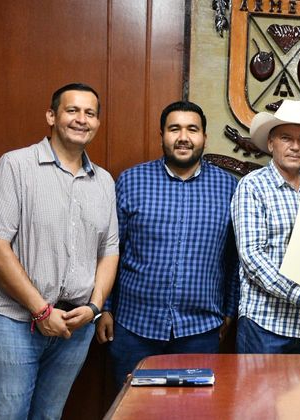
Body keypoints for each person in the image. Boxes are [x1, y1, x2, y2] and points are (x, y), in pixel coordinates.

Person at [0, 83, 119, 419]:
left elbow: (108, 251)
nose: (82, 119)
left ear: (98, 123)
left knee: (48, 416)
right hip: (9, 321)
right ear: (51, 116)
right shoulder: (15, 166)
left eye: (90, 113)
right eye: (72, 110)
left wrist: (94, 306)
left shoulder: (104, 181)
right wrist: (40, 310)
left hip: (73, 327)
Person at [96, 101, 239, 386]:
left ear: (204, 137)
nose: (183, 137)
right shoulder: (131, 180)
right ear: (162, 134)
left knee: (194, 412)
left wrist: (228, 311)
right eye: (174, 129)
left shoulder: (229, 187)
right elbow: (111, 249)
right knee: (132, 411)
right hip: (134, 327)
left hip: (200, 330)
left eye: (192, 129)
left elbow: (233, 258)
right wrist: (105, 308)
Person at [230, 100, 300, 354]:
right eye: (286, 138)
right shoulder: (252, 187)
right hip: (266, 326)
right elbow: (252, 257)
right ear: (271, 143)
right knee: (261, 395)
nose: (295, 146)